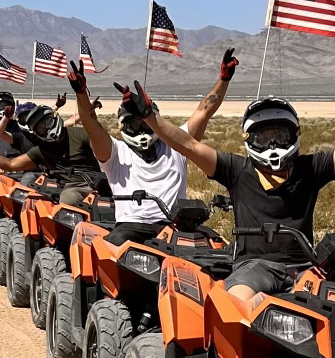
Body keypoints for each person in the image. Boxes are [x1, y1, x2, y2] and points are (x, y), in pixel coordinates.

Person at [132, 70, 335, 303]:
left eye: (280, 136)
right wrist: (151, 119)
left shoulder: (311, 169)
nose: (272, 145)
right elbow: (189, 145)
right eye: (264, 137)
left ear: (294, 135)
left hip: (309, 268)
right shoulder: (236, 170)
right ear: (249, 140)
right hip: (254, 268)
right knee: (236, 303)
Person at [64, 48, 242, 243]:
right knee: (111, 251)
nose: (141, 129)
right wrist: (81, 93)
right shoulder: (115, 153)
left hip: (176, 226)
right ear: (124, 126)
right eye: (134, 124)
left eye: (145, 122)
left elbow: (204, 111)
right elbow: (91, 125)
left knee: (217, 248)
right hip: (131, 227)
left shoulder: (177, 146)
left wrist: (224, 80)